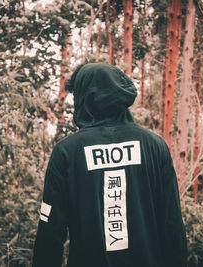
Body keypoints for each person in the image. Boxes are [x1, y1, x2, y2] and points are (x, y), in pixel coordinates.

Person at [32, 63, 187, 267]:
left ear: (84, 98)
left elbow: (50, 233)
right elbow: (172, 223)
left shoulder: (67, 152)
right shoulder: (155, 146)